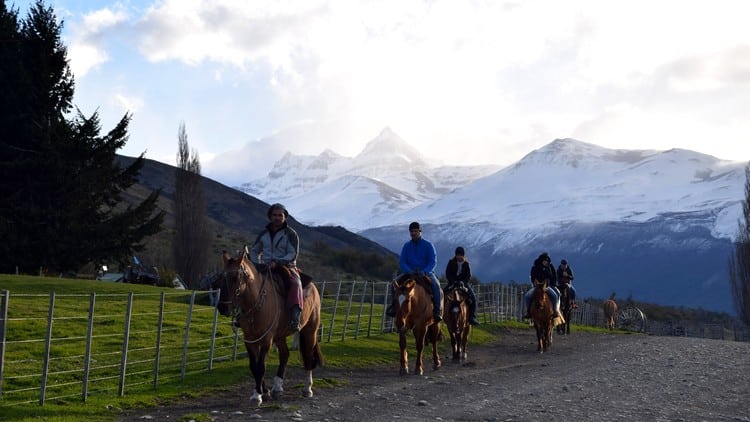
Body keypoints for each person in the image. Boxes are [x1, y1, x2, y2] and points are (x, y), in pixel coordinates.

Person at [250, 203, 304, 332]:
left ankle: (294, 317)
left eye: (280, 215)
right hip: (265, 267)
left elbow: (292, 254)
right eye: (274, 215)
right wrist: (256, 265)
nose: (277, 218)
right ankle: (243, 315)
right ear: (270, 216)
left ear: (285, 217)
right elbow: (254, 251)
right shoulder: (263, 233)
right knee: (248, 283)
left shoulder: (291, 234)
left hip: (287, 267)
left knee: (295, 284)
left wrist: (278, 262)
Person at [386, 222, 443, 322]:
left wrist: (425, 271)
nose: (413, 233)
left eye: (416, 231)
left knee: (436, 285)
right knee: (394, 284)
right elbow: (402, 261)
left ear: (420, 231)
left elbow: (432, 261)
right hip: (410, 272)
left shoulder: (428, 245)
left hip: (426, 273)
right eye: (411, 231)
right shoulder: (407, 246)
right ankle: (394, 307)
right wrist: (409, 271)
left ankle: (437, 311)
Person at [444, 246, 480, 325]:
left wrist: (463, 282)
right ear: (455, 255)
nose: (459, 256)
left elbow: (468, 275)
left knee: (473, 298)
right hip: (452, 283)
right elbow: (448, 273)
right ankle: (441, 314)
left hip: (463, 283)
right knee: (442, 295)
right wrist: (453, 281)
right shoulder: (451, 262)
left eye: (460, 255)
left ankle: (472, 317)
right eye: (457, 255)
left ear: (463, 255)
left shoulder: (466, 264)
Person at [524, 252, 562, 319]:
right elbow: (533, 277)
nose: (546, 262)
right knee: (527, 296)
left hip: (546, 286)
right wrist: (535, 283)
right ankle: (528, 312)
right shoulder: (535, 268)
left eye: (547, 261)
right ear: (541, 260)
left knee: (555, 296)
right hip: (537, 287)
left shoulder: (550, 267)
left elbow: (553, 277)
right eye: (544, 260)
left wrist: (551, 282)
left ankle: (556, 311)